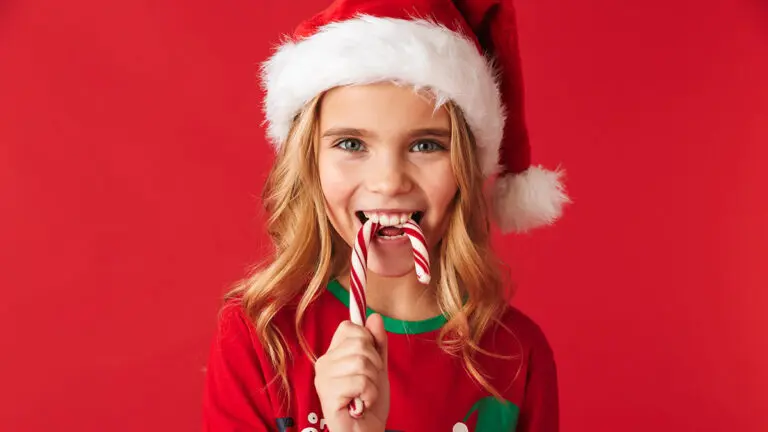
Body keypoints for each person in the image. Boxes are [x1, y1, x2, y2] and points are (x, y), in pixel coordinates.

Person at [203, 0, 570, 430]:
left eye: (426, 145)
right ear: (310, 162)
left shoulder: (515, 356)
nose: (389, 182)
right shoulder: (261, 339)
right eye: (351, 144)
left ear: (465, 168)